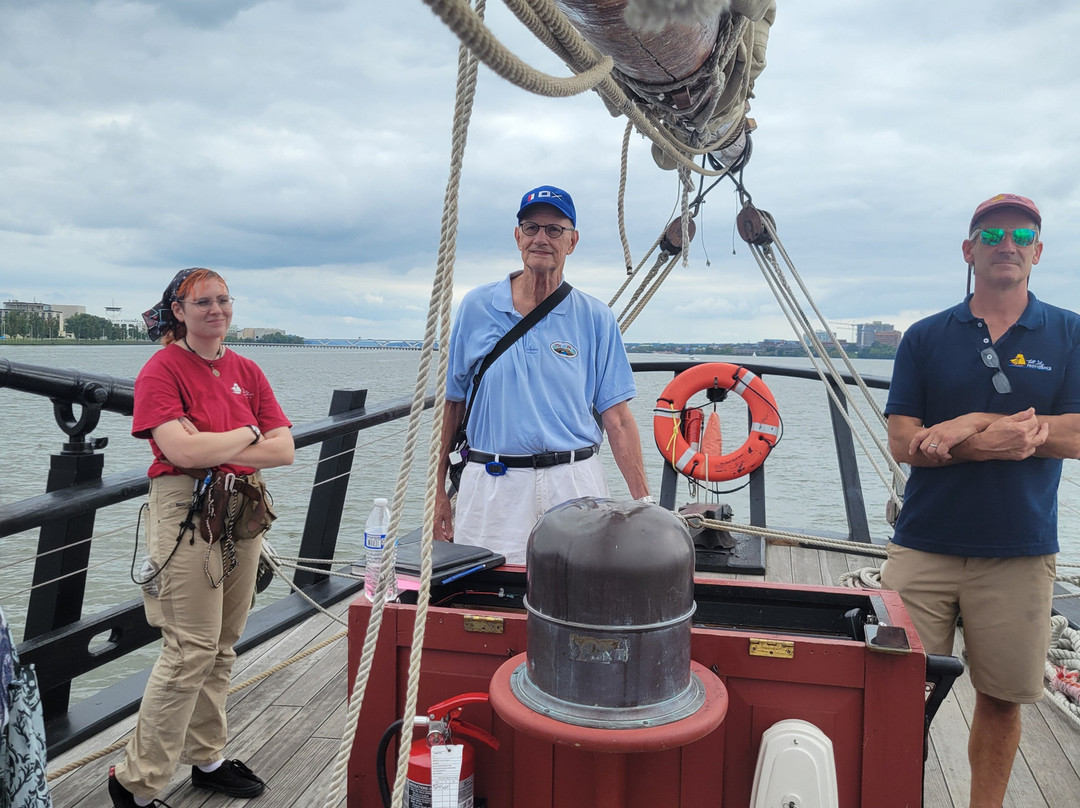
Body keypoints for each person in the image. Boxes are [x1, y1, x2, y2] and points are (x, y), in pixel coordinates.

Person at [883, 194, 1080, 807]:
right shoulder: (925, 337)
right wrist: (980, 435)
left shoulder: (1070, 333)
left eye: (1023, 235)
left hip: (1019, 551)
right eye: (991, 233)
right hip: (925, 545)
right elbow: (902, 441)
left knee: (1001, 698)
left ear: (1039, 253)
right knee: (897, 692)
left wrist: (974, 430)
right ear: (969, 251)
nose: (1008, 243)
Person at [109, 268, 294, 807]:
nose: (216, 310)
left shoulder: (247, 369)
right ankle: (136, 782)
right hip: (187, 507)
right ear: (179, 311)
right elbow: (182, 455)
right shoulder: (161, 370)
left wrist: (215, 442)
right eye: (202, 302)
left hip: (242, 506)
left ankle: (206, 756)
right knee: (190, 647)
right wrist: (248, 432)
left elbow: (283, 450)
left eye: (223, 300)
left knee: (222, 644)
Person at [434, 185, 651, 564]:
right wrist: (437, 492)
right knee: (489, 603)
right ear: (517, 236)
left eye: (555, 230)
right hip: (492, 484)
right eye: (531, 227)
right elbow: (452, 406)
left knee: (578, 597)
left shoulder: (596, 317)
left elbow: (617, 419)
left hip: (574, 483)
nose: (541, 238)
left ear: (573, 241)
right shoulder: (476, 307)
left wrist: (645, 505)